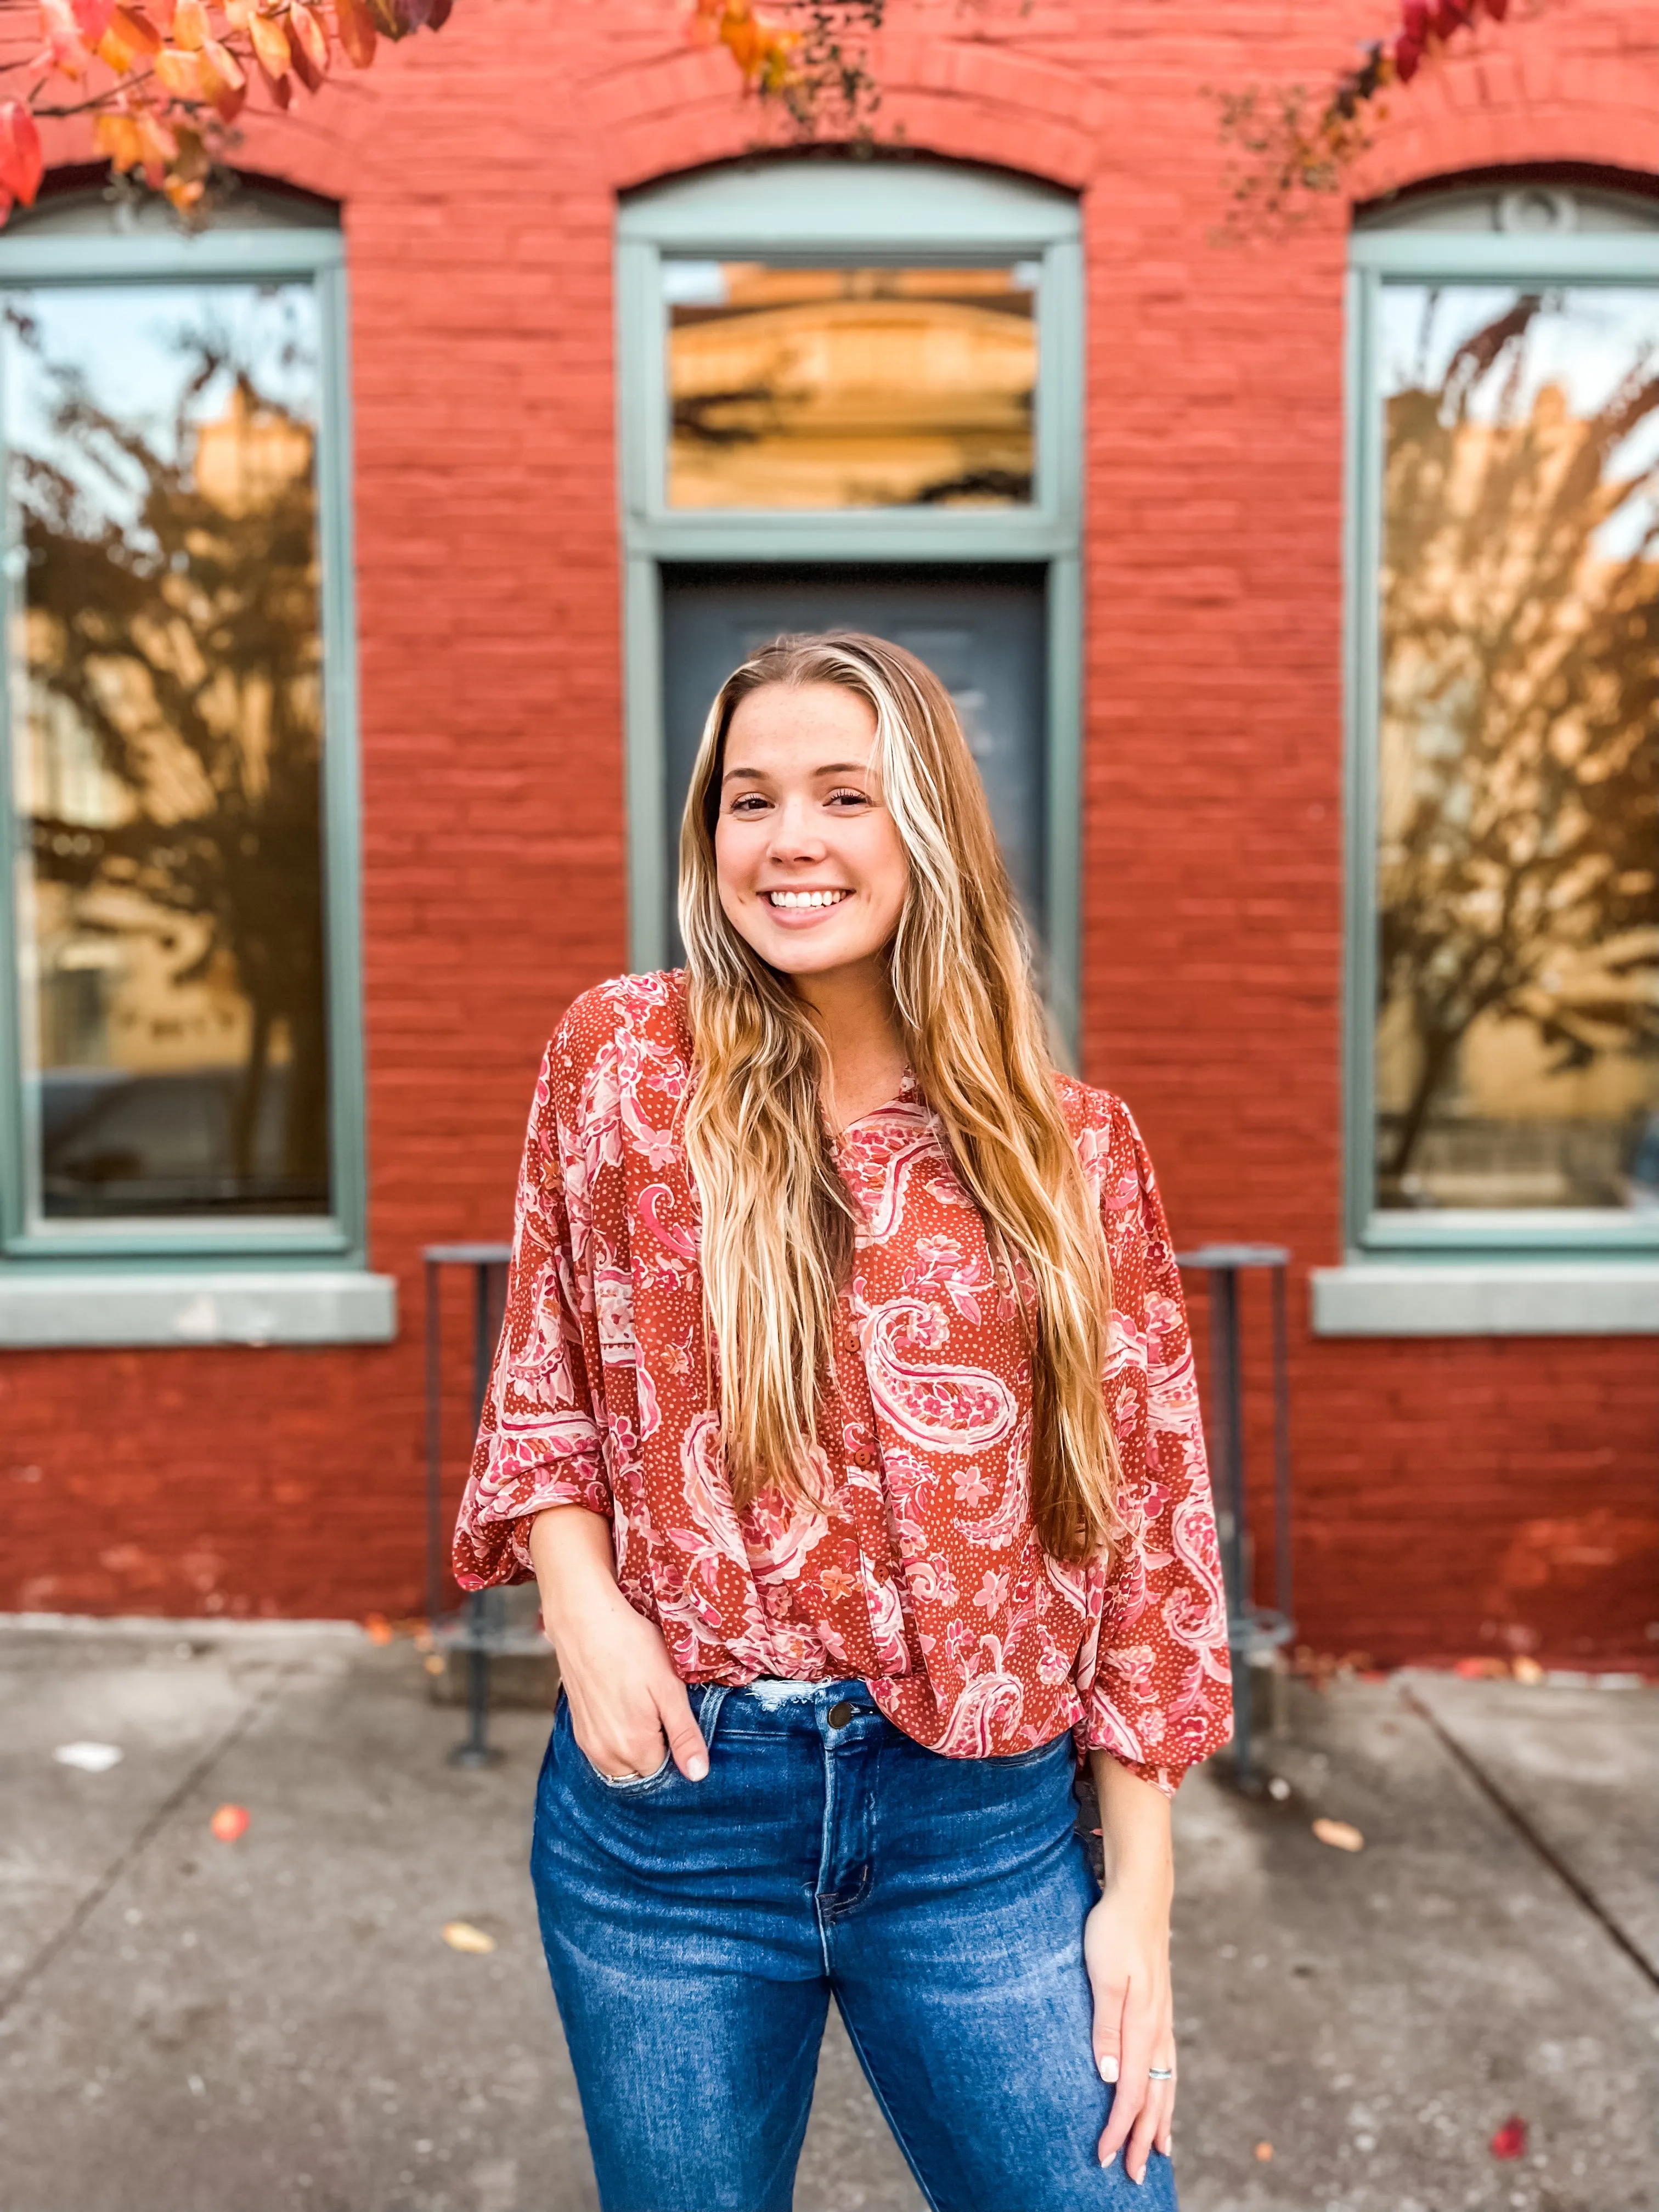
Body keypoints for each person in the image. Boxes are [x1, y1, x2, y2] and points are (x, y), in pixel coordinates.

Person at [453, 633, 1232, 2212]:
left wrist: (1136, 1903)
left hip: (981, 1832)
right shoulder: (620, 1066)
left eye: (842, 794)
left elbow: (1145, 1528)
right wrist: (582, 1602)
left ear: (925, 829)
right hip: (673, 1823)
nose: (788, 839)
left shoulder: (1071, 1154)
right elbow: (546, 1375)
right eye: (749, 800)